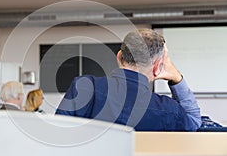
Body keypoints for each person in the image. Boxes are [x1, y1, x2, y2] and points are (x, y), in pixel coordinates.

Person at [56, 29, 202, 131]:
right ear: (158, 66)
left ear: (119, 56)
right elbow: (194, 121)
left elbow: (57, 132)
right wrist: (176, 77)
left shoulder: (84, 88)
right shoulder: (168, 110)